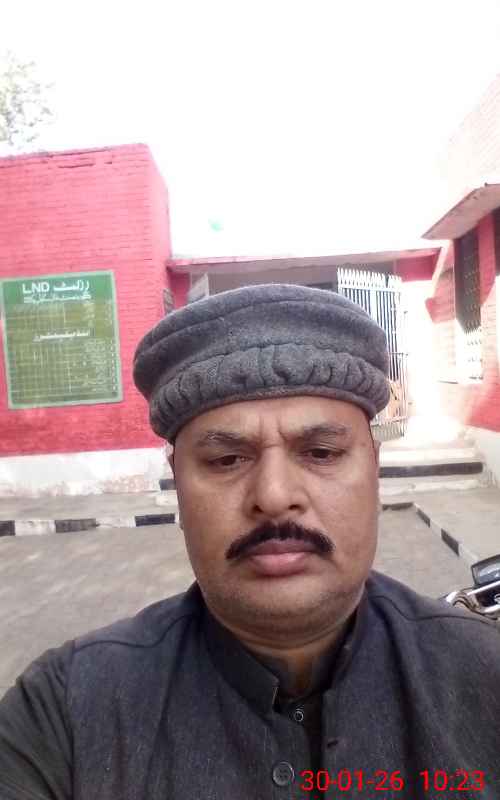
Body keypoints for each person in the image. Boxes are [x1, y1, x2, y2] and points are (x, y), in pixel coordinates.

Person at [0, 283, 499, 799]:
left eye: (321, 452)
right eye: (226, 459)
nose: (274, 496)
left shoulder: (485, 672)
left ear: (374, 469)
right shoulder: (66, 714)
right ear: (178, 485)